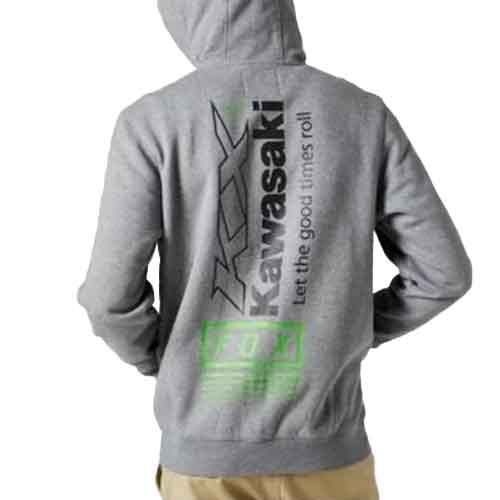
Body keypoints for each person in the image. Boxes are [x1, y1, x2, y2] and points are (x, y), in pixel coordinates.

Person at [77, 1, 472, 499]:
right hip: (331, 457)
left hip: (205, 462)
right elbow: (444, 273)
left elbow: (109, 300)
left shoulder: (152, 122)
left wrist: (166, 357)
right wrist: (342, 331)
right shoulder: (362, 115)